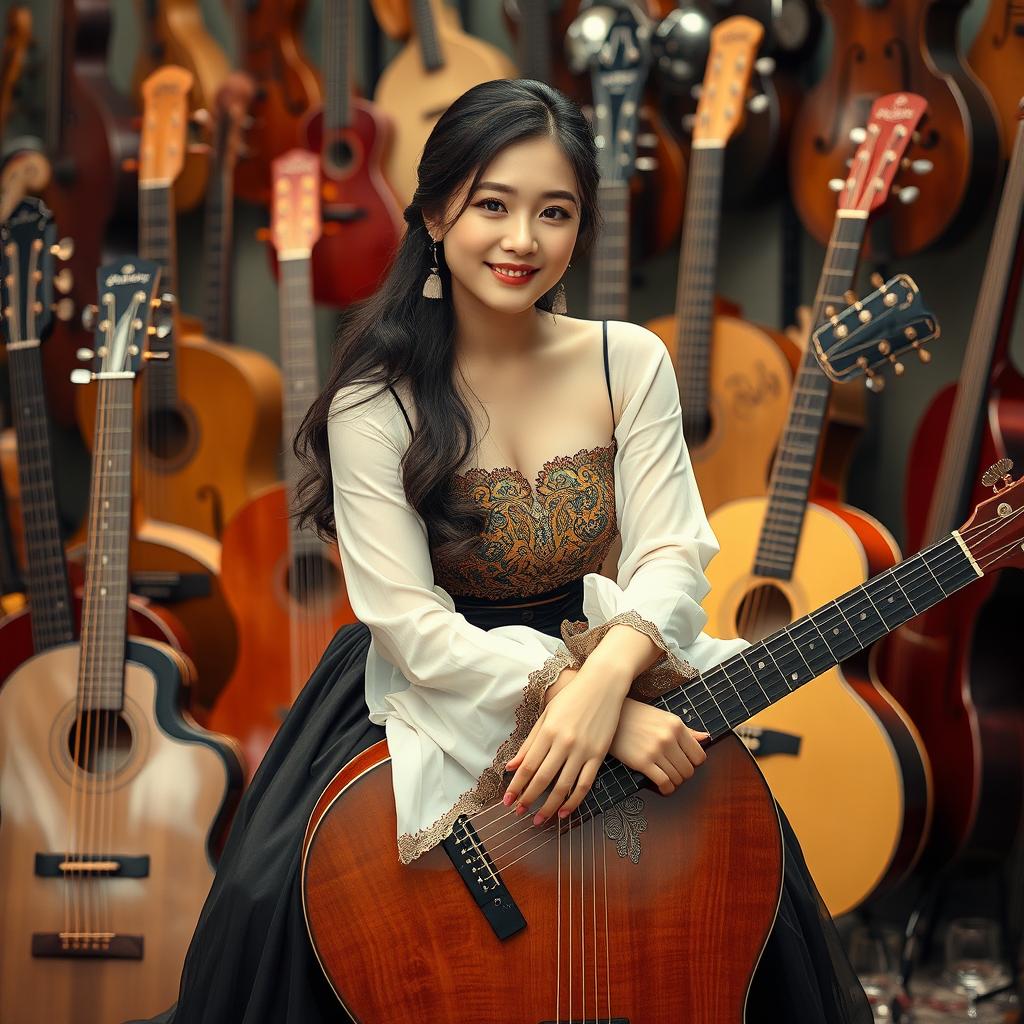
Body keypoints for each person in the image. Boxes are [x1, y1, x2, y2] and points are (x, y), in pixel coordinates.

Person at [133, 79, 871, 1023]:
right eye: (493, 204)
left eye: (554, 212)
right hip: (435, 682)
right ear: (437, 212)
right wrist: (570, 701)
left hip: (616, 656)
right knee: (285, 920)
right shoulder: (376, 400)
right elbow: (405, 621)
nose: (523, 239)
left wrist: (606, 686)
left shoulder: (626, 359)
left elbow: (674, 555)